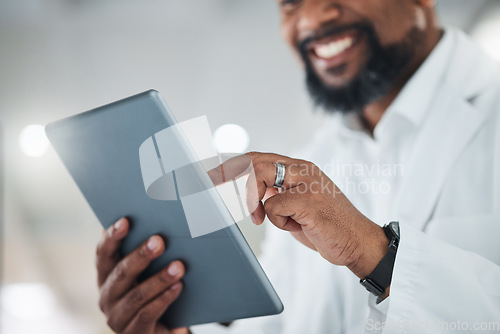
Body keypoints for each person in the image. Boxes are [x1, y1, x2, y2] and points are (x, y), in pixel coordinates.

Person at [95, 0, 500, 333]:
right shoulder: (312, 159)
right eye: (290, 3)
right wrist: (172, 327)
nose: (311, 18)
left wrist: (374, 253)